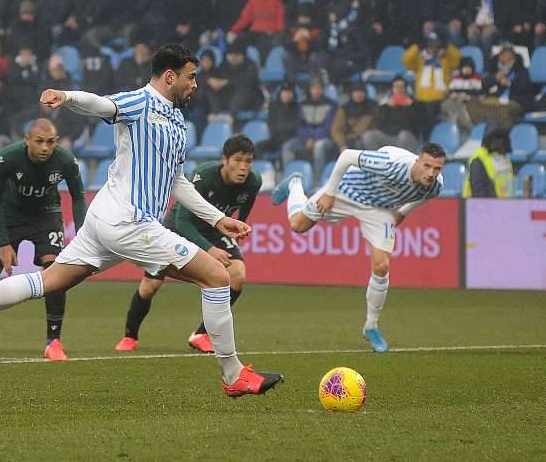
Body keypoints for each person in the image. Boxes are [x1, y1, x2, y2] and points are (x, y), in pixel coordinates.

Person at [0, 44, 282, 398]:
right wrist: (66, 96)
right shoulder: (140, 102)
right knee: (218, 276)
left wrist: (218, 220)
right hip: (129, 221)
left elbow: (177, 181)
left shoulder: (177, 121)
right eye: (191, 77)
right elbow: (102, 104)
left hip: (107, 220)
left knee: (49, 281)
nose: (195, 84)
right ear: (170, 76)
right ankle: (233, 375)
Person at [271, 143, 447, 352]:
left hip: (380, 208)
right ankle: (295, 183)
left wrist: (403, 212)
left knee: (381, 267)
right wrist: (329, 191)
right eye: (427, 166)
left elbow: (423, 196)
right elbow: (346, 156)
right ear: (417, 161)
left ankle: (371, 327)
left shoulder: (435, 185)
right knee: (298, 225)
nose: (431, 173)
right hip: (348, 190)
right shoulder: (390, 165)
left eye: (437, 169)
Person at [114, 135, 261, 353]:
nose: (243, 167)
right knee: (150, 286)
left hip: (213, 230)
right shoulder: (204, 178)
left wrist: (241, 226)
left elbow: (246, 205)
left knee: (237, 275)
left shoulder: (253, 182)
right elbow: (183, 220)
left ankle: (201, 334)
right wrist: (210, 250)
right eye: (238, 160)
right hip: (177, 227)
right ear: (225, 160)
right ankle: (130, 336)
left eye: (248, 161)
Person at [0, 118, 87, 361]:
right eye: (39, 142)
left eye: (50, 142)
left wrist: (82, 235)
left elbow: (78, 196)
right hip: (9, 214)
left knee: (55, 273)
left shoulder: (66, 161)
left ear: (56, 142)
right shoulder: (7, 158)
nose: (45, 148)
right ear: (27, 140)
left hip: (46, 215)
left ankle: (54, 341)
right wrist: (4, 243)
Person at [462, 127, 513, 198]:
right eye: (497, 138)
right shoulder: (478, 159)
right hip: (485, 206)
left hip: (506, 205)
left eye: (502, 138)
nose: (501, 142)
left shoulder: (505, 158)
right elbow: (479, 193)